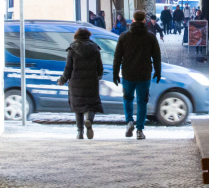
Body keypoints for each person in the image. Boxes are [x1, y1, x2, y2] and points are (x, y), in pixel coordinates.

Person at [113, 10, 162, 139]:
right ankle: (139, 130)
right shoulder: (150, 37)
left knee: (127, 98)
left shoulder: (124, 36)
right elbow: (157, 56)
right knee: (142, 102)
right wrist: (158, 71)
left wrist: (115, 73)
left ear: (133, 20)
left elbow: (117, 57)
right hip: (144, 74)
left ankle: (129, 121)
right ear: (144, 21)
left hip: (128, 74)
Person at [57, 28, 104, 139]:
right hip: (91, 81)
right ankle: (89, 121)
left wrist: (62, 80)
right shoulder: (95, 48)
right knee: (91, 105)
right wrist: (97, 77)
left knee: (78, 107)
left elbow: (68, 68)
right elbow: (100, 68)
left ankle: (80, 132)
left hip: (76, 82)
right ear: (88, 35)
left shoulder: (72, 48)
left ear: (76, 36)